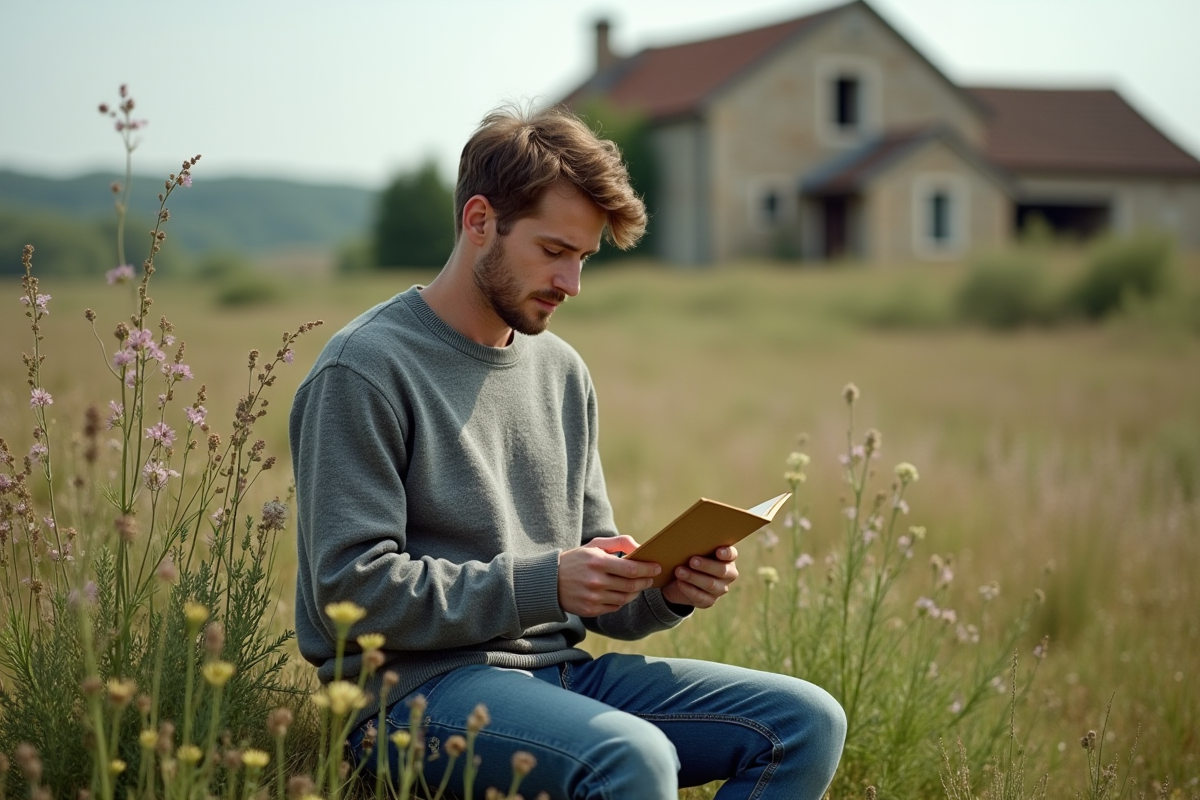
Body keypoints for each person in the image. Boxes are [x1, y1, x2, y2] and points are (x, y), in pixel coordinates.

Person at [289, 105, 846, 800]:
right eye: (554, 252)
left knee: (807, 722)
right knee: (633, 757)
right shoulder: (365, 369)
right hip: (409, 698)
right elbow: (350, 591)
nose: (571, 284)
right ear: (479, 221)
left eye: (583, 259)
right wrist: (546, 582)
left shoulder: (562, 372)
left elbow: (591, 591)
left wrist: (664, 588)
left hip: (558, 675)